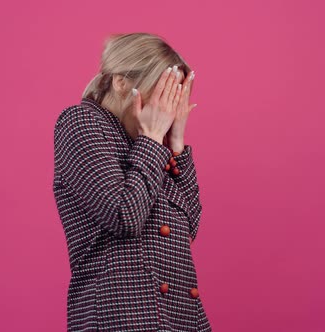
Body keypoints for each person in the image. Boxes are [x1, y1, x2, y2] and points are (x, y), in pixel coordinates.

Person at [53, 33, 211, 331]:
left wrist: (175, 144)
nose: (167, 108)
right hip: (123, 319)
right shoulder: (81, 122)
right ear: (121, 82)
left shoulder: (147, 141)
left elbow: (189, 228)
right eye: (162, 93)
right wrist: (152, 139)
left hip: (182, 319)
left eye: (174, 97)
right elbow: (124, 216)